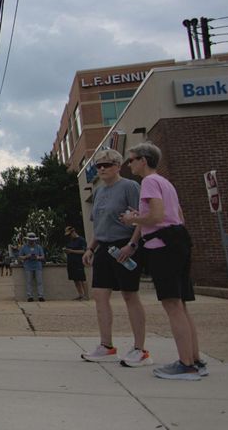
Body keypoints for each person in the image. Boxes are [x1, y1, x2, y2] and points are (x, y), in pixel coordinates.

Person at [121, 142, 206, 379]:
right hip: (178, 239)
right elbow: (177, 214)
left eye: (132, 159)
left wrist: (132, 220)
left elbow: (157, 216)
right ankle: (196, 359)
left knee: (172, 304)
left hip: (162, 244)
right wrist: (143, 218)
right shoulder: (165, 182)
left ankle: (185, 364)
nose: (130, 164)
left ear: (143, 160)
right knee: (182, 304)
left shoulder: (148, 182)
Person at [80, 148, 149, 367]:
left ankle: (140, 348)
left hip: (125, 245)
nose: (102, 169)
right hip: (104, 248)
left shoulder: (130, 187)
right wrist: (90, 248)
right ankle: (106, 345)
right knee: (100, 295)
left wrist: (132, 244)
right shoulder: (99, 192)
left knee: (130, 295)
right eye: (98, 165)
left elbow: (140, 218)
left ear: (118, 166)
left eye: (107, 165)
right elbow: (99, 224)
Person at [63, 227, 89, 300]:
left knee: (82, 279)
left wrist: (71, 251)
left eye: (70, 234)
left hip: (79, 262)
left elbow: (84, 251)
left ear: (73, 232)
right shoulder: (70, 241)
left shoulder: (81, 240)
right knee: (75, 279)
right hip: (71, 262)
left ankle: (86, 296)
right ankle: (80, 295)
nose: (69, 236)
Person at [18, 233, 46, 301]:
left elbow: (43, 257)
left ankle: (41, 296)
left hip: (37, 266)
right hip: (28, 266)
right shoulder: (23, 247)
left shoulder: (39, 247)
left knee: (39, 282)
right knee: (28, 282)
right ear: (28, 240)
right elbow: (19, 257)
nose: (31, 241)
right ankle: (29, 296)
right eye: (30, 240)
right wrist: (26, 256)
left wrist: (37, 257)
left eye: (33, 240)